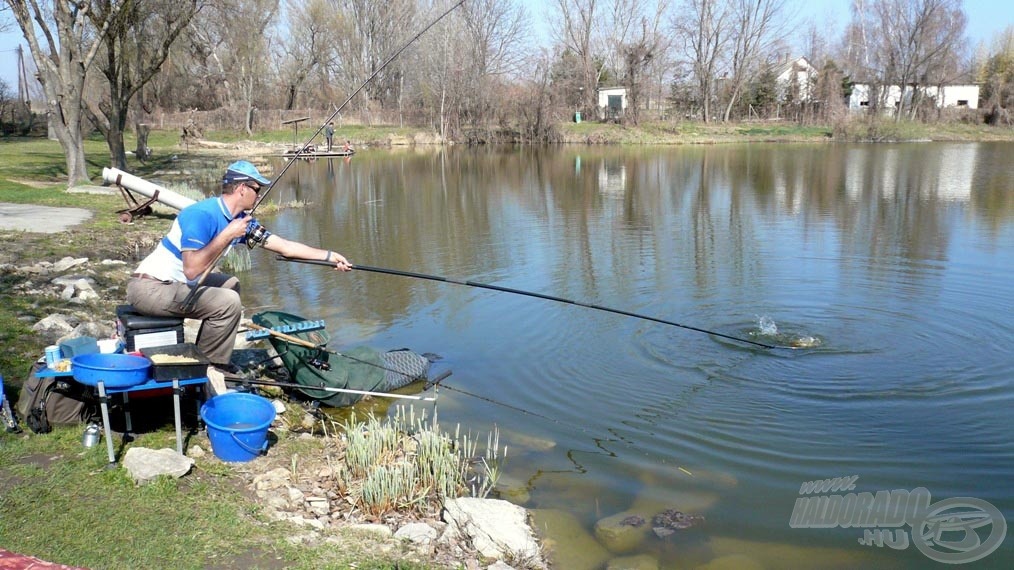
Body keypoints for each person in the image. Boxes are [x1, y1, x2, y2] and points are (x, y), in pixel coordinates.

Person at [126, 160, 351, 376]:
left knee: (231, 284)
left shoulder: (242, 221)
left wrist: (329, 256)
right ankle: (211, 368)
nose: (259, 194)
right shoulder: (201, 215)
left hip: (176, 285)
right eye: (257, 188)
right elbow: (192, 270)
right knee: (228, 302)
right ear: (242, 188)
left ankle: (208, 353)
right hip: (149, 288)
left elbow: (285, 247)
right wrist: (227, 235)